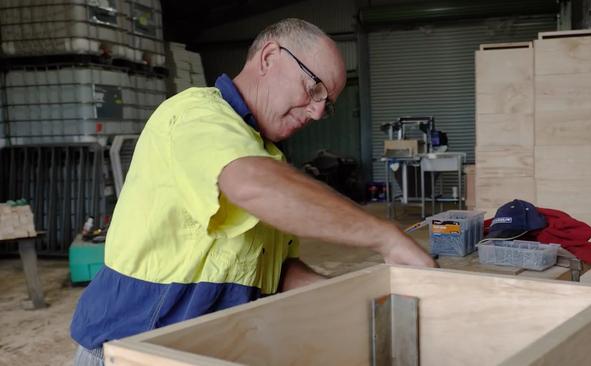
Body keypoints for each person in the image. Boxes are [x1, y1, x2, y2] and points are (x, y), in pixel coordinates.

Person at [70, 18, 436, 365]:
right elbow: (251, 183)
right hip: (126, 350)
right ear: (269, 57)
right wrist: (384, 236)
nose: (316, 111)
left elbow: (275, 274)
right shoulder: (196, 115)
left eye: (327, 104)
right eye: (314, 88)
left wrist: (356, 299)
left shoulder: (266, 155)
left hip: (191, 350)